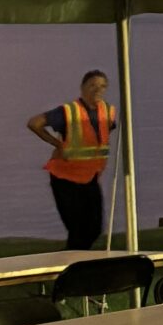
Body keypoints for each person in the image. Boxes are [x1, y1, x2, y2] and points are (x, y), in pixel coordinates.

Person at [27, 68, 117, 247]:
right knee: (77, 229)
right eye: (92, 85)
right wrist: (58, 144)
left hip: (90, 178)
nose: (97, 89)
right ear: (83, 87)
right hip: (65, 179)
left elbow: (101, 138)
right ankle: (73, 260)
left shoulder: (107, 112)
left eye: (102, 86)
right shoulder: (68, 112)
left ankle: (75, 259)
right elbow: (34, 123)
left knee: (94, 228)